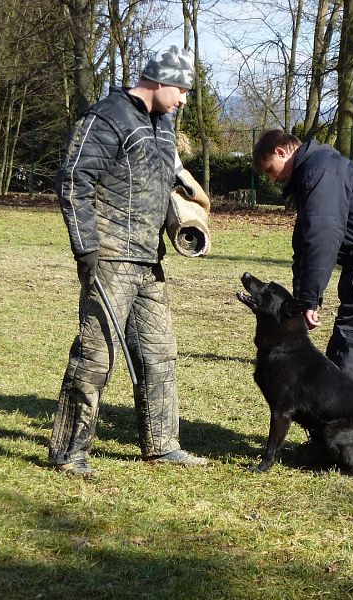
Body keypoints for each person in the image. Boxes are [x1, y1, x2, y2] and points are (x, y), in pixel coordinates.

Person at [49, 45, 208, 478]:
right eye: (181, 90)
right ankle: (69, 451)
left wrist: (189, 197)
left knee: (160, 353)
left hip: (148, 258)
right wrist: (86, 248)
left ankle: (162, 445)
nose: (184, 100)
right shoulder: (106, 118)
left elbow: (168, 171)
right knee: (95, 355)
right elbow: (73, 181)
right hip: (111, 257)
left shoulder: (163, 124)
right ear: (158, 82)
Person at [252, 130, 353, 401]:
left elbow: (322, 237)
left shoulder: (321, 171)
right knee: (347, 351)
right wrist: (303, 298)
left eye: (270, 170)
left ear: (281, 151)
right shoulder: (314, 172)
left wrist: (310, 298)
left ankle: (352, 435)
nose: (273, 179)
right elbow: (303, 245)